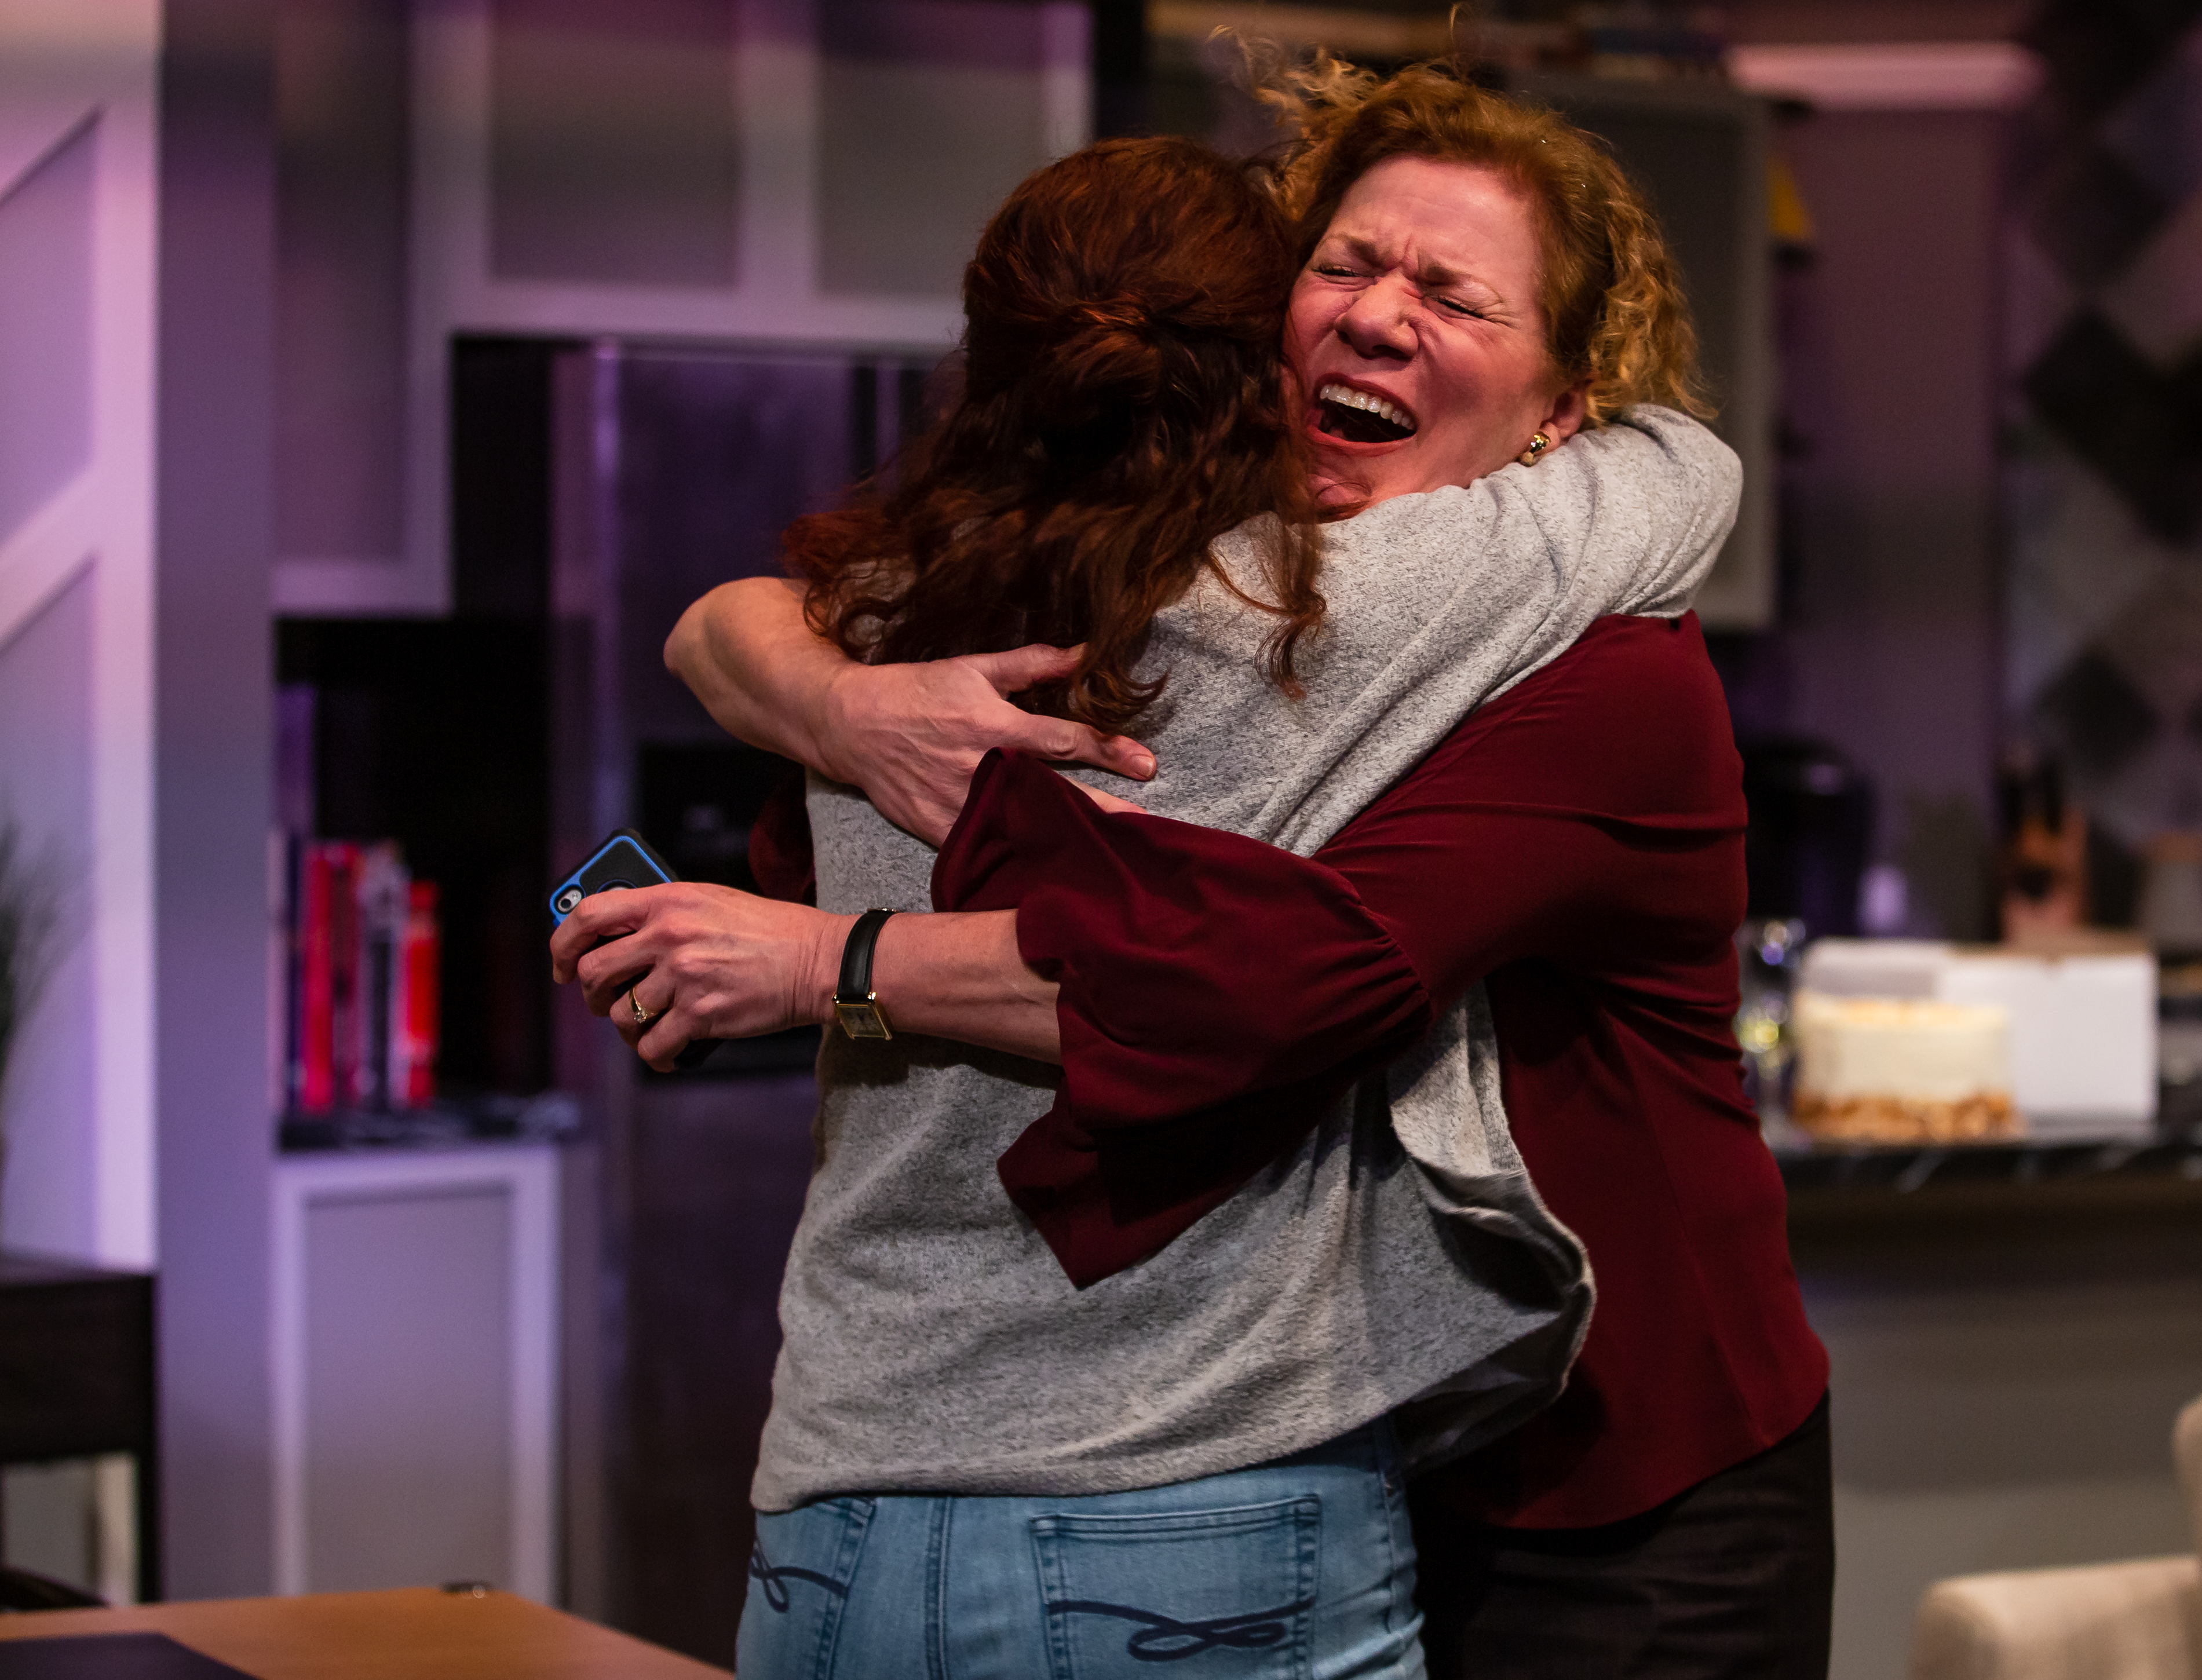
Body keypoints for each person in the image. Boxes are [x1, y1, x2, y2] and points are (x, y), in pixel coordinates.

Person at [558, 96, 1746, 1680]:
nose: (1384, 317)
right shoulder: (1380, 617)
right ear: (1261, 347)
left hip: (830, 1512)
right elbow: (1681, 469)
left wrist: (825, 779)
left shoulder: (874, 619)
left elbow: (719, 622)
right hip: (1187, 1509)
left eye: (1450, 295)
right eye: (1346, 270)